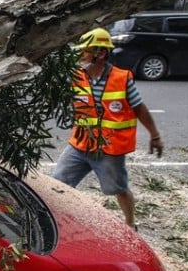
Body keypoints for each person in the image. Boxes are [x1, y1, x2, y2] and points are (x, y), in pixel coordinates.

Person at [52, 27, 164, 230]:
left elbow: (140, 109)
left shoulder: (121, 79)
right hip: (80, 144)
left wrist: (154, 135)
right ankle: (57, 222)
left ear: (101, 53)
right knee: (57, 184)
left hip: (109, 150)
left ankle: (130, 224)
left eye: (85, 51)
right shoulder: (76, 76)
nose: (80, 56)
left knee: (118, 189)